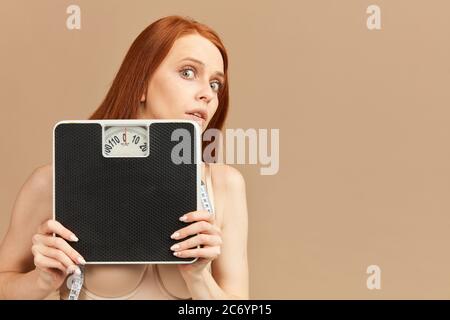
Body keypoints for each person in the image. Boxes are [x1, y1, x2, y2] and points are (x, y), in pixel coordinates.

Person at [0, 15, 249, 300]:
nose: (207, 93)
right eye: (188, 72)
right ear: (141, 82)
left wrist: (198, 278)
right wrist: (41, 281)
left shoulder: (225, 186)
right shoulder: (53, 183)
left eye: (216, 84)